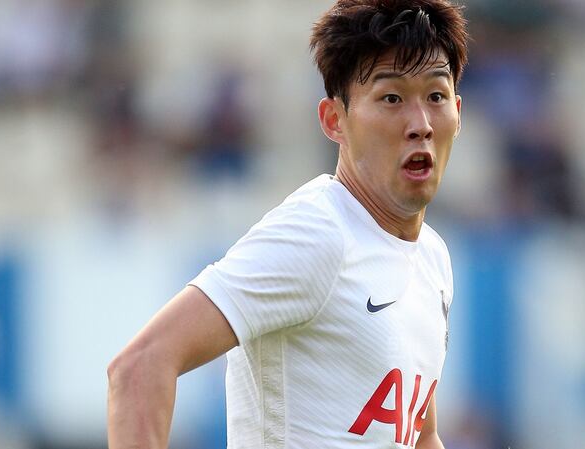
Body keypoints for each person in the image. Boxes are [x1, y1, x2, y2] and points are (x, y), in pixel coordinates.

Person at [107, 0, 468, 447]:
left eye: (435, 97)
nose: (420, 125)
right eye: (391, 98)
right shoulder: (317, 233)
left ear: (457, 111)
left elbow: (419, 435)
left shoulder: (432, 258)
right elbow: (140, 366)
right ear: (335, 121)